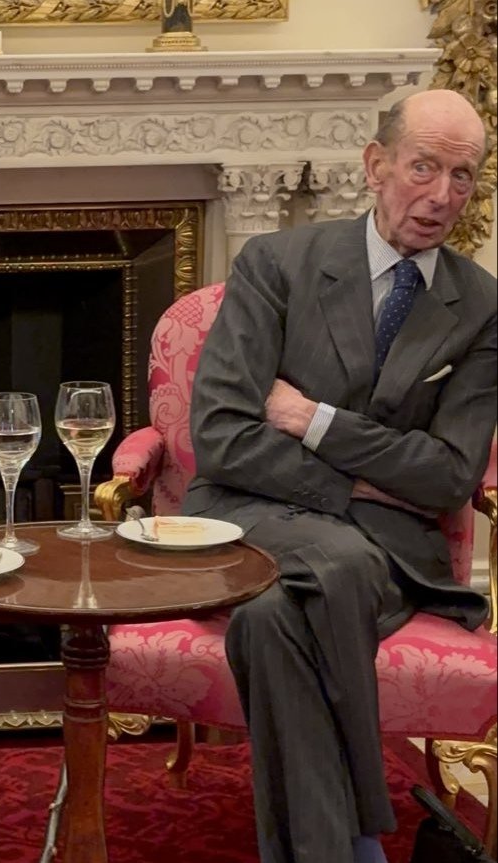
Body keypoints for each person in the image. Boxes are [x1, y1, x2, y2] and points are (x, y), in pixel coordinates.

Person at [184, 87, 496, 863]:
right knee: (340, 557)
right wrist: (356, 482)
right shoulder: (276, 264)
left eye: (462, 177)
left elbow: (448, 477)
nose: (440, 196)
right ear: (374, 164)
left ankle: (340, 847)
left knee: (269, 620)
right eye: (423, 167)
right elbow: (222, 436)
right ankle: (361, 833)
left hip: (390, 553)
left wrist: (311, 420)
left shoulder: (481, 305)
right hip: (255, 519)